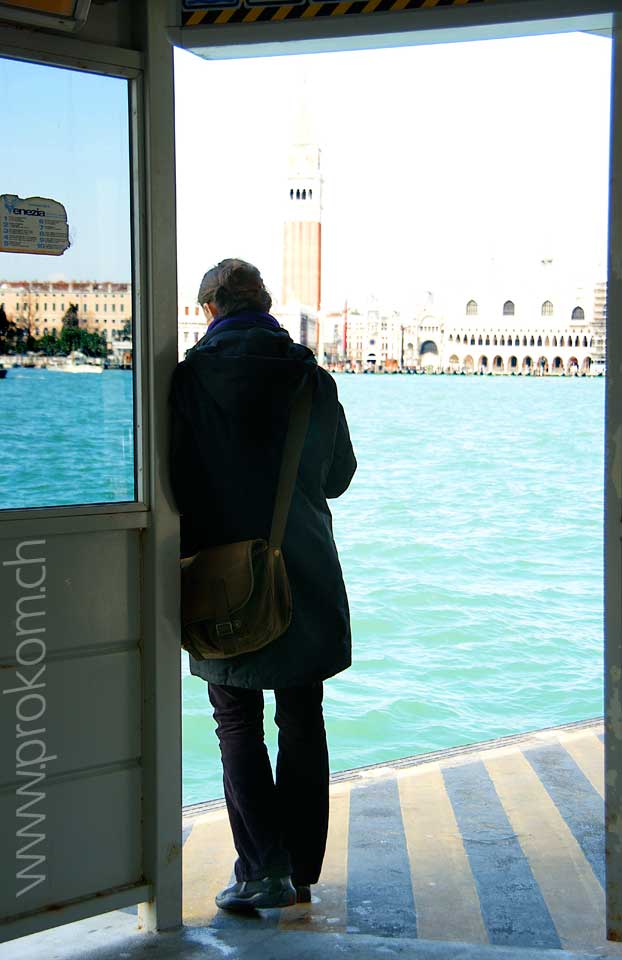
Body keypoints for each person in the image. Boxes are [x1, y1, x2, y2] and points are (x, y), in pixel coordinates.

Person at [169, 258, 357, 912]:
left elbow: (174, 481)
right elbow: (337, 476)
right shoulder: (311, 378)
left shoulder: (190, 381)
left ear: (210, 309)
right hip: (301, 571)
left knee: (235, 719)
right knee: (302, 716)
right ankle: (301, 872)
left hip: (224, 577)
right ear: (266, 305)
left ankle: (260, 869)